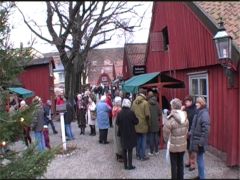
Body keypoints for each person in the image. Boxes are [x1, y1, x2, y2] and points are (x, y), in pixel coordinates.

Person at [163, 98, 189, 180]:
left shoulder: (171, 119)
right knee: (180, 163)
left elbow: (165, 132)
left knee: (174, 165)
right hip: (182, 144)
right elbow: (186, 130)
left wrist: (167, 141)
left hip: (173, 146)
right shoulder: (185, 118)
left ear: (173, 107)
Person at [189, 97, 210, 180]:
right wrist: (190, 132)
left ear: (201, 104)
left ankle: (202, 177)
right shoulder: (198, 112)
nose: (196, 104)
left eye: (197, 103)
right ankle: (200, 175)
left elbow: (206, 130)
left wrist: (201, 143)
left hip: (200, 141)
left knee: (200, 159)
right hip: (196, 139)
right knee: (198, 159)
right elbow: (194, 125)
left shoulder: (204, 114)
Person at [116, 98, 139, 170]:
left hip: (122, 133)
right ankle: (130, 165)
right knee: (130, 150)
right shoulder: (131, 112)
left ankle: (125, 166)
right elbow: (136, 122)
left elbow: (117, 123)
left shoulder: (119, 113)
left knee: (124, 149)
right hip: (130, 133)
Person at [131, 88, 150, 161]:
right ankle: (143, 156)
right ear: (144, 94)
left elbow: (132, 112)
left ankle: (138, 154)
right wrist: (148, 124)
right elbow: (147, 115)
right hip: (143, 124)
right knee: (143, 140)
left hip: (136, 124)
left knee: (138, 140)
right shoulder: (145, 103)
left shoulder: (134, 102)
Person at [182, 95, 197, 171]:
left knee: (192, 149)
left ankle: (193, 164)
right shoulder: (186, 109)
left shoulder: (195, 110)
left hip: (192, 131)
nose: (186, 103)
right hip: (187, 131)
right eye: (185, 102)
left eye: (187, 102)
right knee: (188, 148)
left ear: (191, 101)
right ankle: (189, 161)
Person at [147, 91, 161, 156]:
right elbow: (160, 113)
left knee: (151, 138)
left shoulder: (148, 104)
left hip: (150, 122)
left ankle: (151, 152)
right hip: (156, 122)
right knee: (156, 137)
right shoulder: (157, 103)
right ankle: (157, 151)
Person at [112, 96, 123, 162]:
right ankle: (120, 154)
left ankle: (117, 154)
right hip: (118, 125)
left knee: (116, 139)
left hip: (114, 124)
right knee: (119, 140)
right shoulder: (119, 110)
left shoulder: (114, 108)